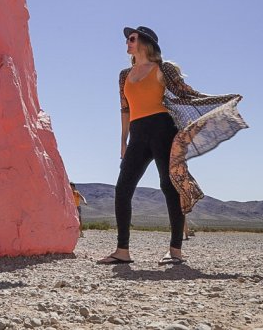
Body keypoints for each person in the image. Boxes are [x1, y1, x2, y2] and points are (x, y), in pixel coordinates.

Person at [98, 26, 246, 266]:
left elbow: (188, 95)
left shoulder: (163, 69)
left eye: (132, 38)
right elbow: (125, 109)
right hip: (137, 134)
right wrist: (123, 140)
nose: (127, 42)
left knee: (169, 185)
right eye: (127, 39)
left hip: (163, 130)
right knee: (122, 188)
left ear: (145, 43)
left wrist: (222, 101)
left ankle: (175, 250)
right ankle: (122, 251)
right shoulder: (124, 74)